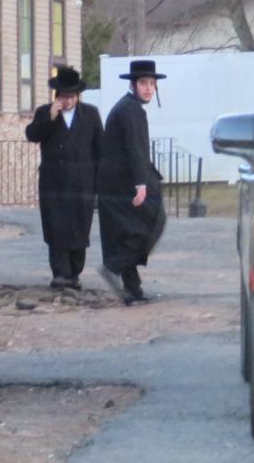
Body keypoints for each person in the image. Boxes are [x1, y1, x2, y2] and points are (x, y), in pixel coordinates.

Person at [97, 59, 168, 305]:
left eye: (152, 83)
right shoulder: (130, 110)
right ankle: (114, 267)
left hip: (117, 182)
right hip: (123, 183)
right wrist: (141, 184)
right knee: (152, 220)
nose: (149, 88)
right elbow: (135, 148)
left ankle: (133, 289)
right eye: (143, 83)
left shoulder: (129, 107)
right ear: (133, 84)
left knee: (127, 231)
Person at [25, 65, 101, 289]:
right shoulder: (45, 112)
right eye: (64, 97)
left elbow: (100, 148)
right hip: (54, 182)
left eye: (71, 97)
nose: (67, 101)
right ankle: (60, 273)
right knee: (57, 227)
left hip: (82, 182)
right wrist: (50, 118)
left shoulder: (91, 114)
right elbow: (32, 134)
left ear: (78, 96)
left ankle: (75, 272)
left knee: (79, 227)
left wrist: (100, 179)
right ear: (57, 96)